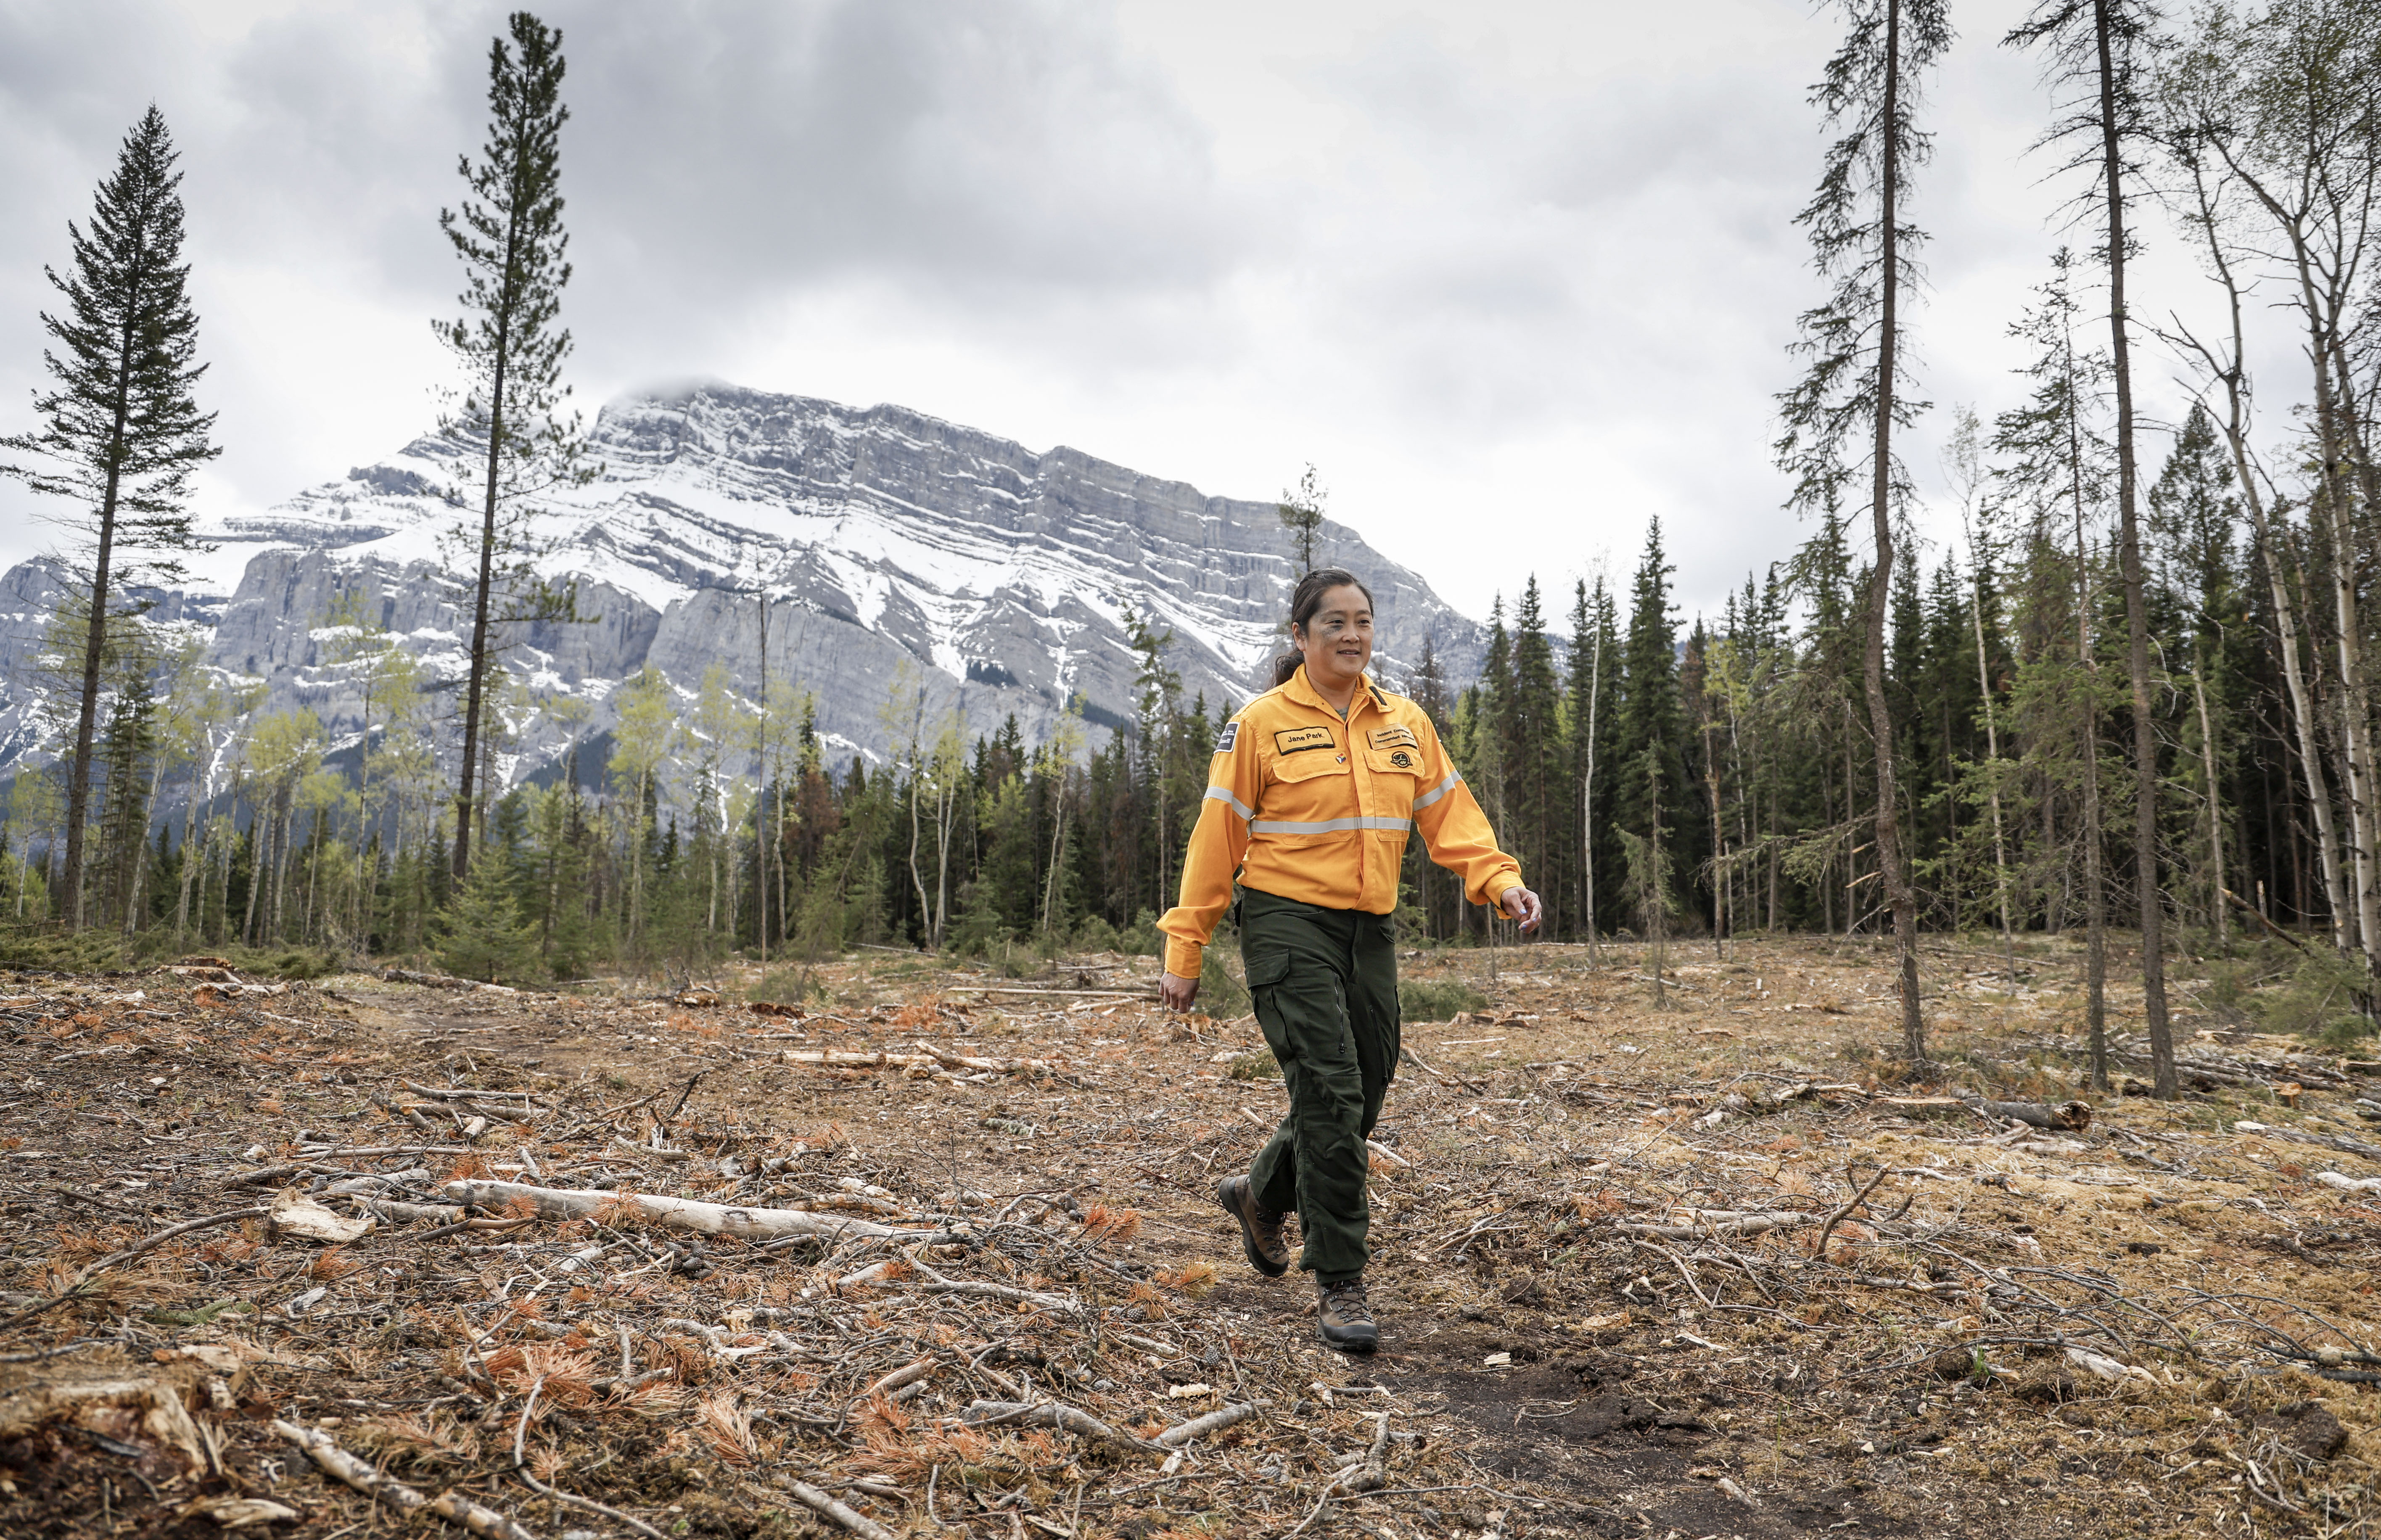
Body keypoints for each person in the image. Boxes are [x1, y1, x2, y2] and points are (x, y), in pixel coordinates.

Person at [1157, 568, 1541, 1353]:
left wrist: (1499, 880)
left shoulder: (1404, 723)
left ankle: (1260, 1191)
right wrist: (1185, 946)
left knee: (1364, 1082)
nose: (1352, 635)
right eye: (1333, 622)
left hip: (1369, 927)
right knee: (1330, 1090)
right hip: (1286, 922)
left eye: (1362, 620)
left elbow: (1451, 816)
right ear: (1300, 636)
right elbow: (1215, 841)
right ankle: (1339, 1279)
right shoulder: (1259, 725)